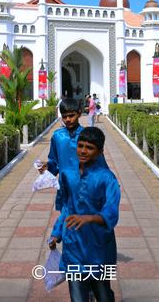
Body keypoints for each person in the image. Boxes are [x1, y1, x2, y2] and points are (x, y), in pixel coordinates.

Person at [49, 127, 120, 302]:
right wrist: (56, 233)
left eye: (89, 147)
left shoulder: (107, 178)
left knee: (103, 294)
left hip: (99, 248)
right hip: (73, 245)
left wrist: (90, 218)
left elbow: (112, 211)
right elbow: (67, 206)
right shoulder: (67, 174)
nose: (83, 151)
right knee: (78, 297)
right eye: (80, 145)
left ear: (100, 152)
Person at [38, 99, 108, 210]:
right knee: (67, 222)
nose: (68, 119)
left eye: (71, 115)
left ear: (79, 113)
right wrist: (46, 167)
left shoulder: (88, 136)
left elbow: (100, 163)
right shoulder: (57, 136)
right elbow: (54, 162)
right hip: (66, 189)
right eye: (64, 116)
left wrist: (109, 184)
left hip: (87, 188)